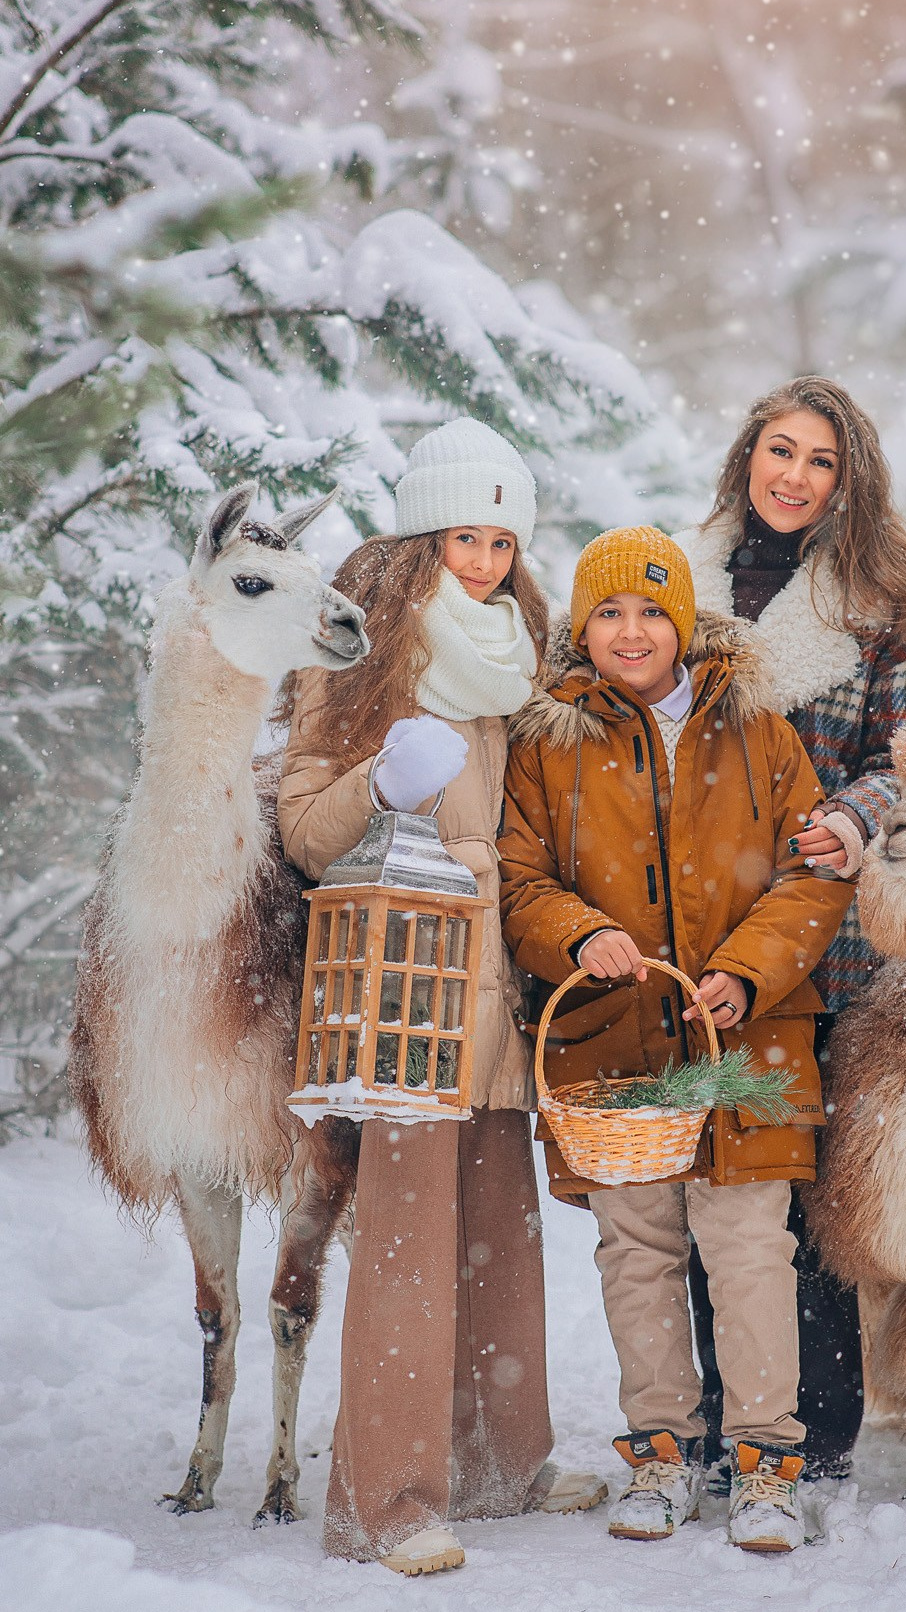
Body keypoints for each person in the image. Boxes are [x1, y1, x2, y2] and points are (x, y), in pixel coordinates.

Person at [276, 418, 606, 1577]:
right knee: (410, 1246)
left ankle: (504, 1462)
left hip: (500, 990)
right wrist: (381, 781)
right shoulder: (361, 652)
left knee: (498, 1240)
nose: (483, 561)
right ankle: (390, 1498)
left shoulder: (524, 658)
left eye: (503, 541)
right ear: (423, 536)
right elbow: (305, 827)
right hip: (404, 985)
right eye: (465, 535)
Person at [497, 526, 855, 1553]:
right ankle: (660, 1452)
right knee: (638, 1252)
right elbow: (520, 880)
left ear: (687, 622)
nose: (631, 630)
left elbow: (813, 873)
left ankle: (764, 1463)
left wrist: (745, 970)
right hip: (616, 1047)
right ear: (581, 628)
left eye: (652, 609)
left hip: (747, 1043)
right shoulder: (549, 740)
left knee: (750, 1251)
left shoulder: (758, 732)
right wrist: (580, 932)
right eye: (608, 611)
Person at [673, 376, 906, 1483]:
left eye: (820, 460)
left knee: (803, 1187)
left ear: (847, 480)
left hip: (826, 945)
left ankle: (813, 1431)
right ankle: (724, 1413)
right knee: (706, 1183)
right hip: (693, 925)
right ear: (747, 458)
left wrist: (854, 816)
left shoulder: (873, 603)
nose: (795, 475)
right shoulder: (674, 585)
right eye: (780, 450)